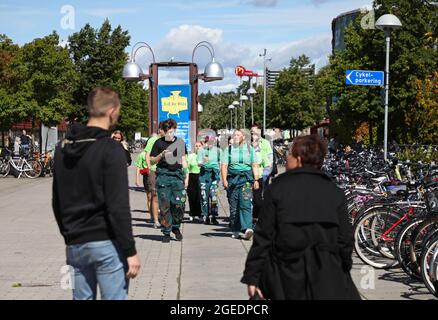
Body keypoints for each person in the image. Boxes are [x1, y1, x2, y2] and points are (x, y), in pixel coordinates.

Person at [241, 134, 360, 300]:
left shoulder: (277, 190)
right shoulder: (335, 193)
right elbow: (345, 240)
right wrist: (341, 267)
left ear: (298, 159)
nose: (287, 158)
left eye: (290, 154)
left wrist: (253, 276)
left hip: (285, 277)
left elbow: (264, 237)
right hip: (327, 277)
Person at [52, 87, 140, 300]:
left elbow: (57, 200)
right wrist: (130, 250)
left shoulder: (62, 148)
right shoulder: (111, 149)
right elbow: (118, 206)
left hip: (76, 242)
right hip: (106, 242)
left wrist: (69, 235)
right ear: (112, 111)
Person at [150, 119, 188, 243]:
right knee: (164, 205)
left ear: (174, 130)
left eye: (171, 131)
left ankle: (176, 227)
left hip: (177, 176)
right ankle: (166, 231)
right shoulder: (158, 143)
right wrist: (161, 155)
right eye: (166, 132)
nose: (169, 134)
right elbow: (151, 160)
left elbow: (183, 160)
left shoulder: (180, 142)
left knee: (179, 204)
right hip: (163, 176)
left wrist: (186, 177)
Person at [221, 129, 259, 240]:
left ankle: (247, 228)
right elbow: (224, 166)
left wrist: (256, 180)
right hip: (233, 180)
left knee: (245, 203)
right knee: (234, 206)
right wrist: (224, 180)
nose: (236, 136)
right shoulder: (228, 150)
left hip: (246, 179)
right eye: (234, 135)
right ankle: (236, 228)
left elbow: (254, 164)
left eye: (238, 135)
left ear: (244, 137)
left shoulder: (249, 149)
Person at [250, 124, 273, 226]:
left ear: (259, 132)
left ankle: (256, 219)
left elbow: (270, 160)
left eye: (254, 132)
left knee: (258, 200)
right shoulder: (246, 144)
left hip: (261, 176)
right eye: (251, 132)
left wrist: (264, 176)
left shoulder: (265, 143)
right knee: (247, 199)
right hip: (248, 176)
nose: (252, 134)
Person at [198, 135, 221, 225]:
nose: (209, 144)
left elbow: (220, 162)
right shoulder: (201, 150)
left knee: (214, 196)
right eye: (207, 142)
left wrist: (218, 171)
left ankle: (214, 216)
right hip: (204, 174)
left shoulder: (218, 151)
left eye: (211, 142)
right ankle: (205, 216)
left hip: (214, 174)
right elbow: (199, 164)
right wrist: (203, 161)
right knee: (204, 196)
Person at [187, 142, 202, 222]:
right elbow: (187, 168)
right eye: (196, 146)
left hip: (201, 176)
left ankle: (200, 214)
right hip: (192, 176)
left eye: (199, 146)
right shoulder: (191, 156)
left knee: (200, 196)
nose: (198, 147)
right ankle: (192, 213)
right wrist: (186, 180)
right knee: (192, 196)